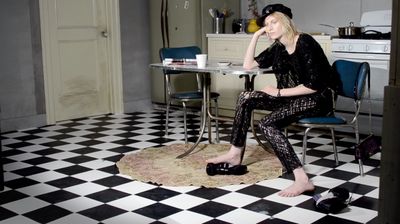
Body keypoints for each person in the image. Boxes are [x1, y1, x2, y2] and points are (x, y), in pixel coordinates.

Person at [206, 3, 338, 197]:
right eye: (266, 24)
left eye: (273, 22)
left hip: (318, 99)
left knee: (267, 123)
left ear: (285, 22)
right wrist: (255, 36)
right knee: (246, 97)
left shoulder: (305, 42)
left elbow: (314, 85)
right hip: (292, 98)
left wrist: (277, 93)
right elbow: (248, 65)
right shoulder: (278, 48)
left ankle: (302, 179)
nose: (269, 27)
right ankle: (235, 154)